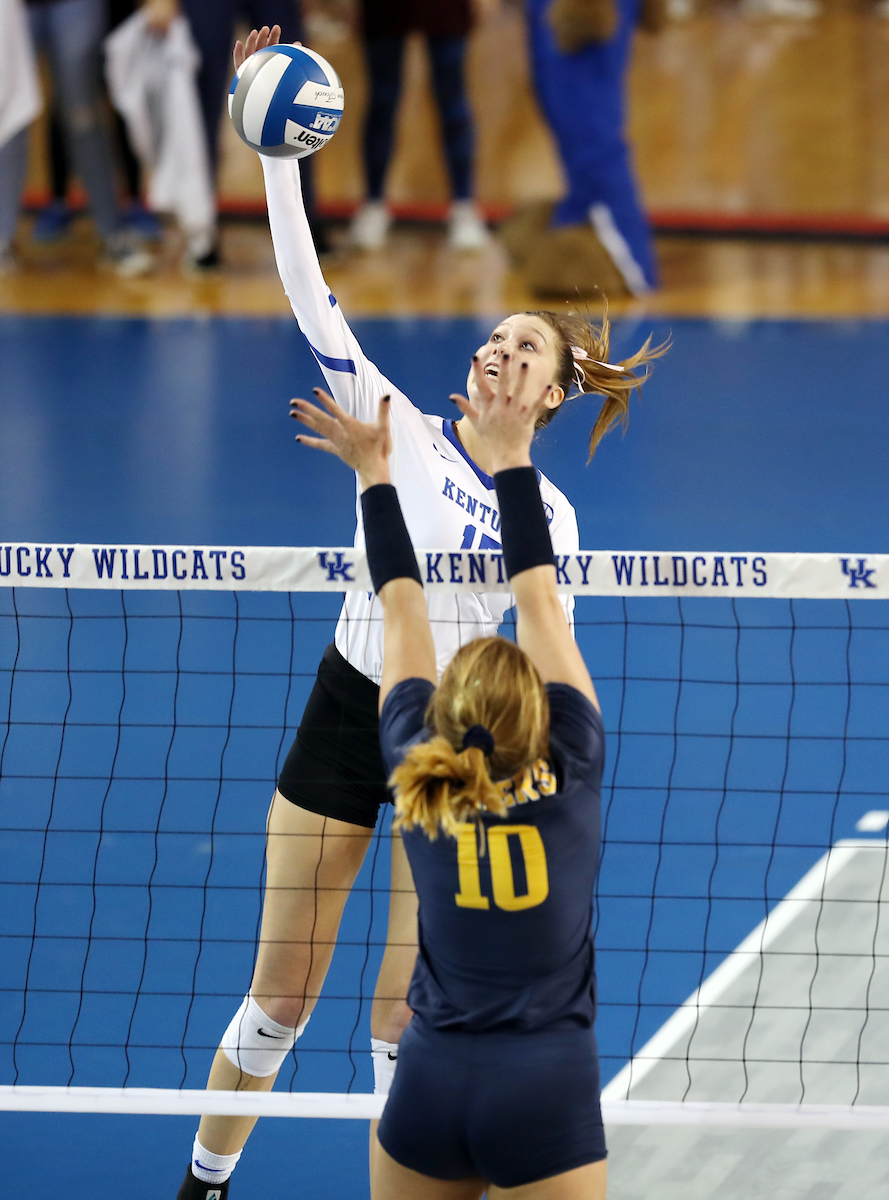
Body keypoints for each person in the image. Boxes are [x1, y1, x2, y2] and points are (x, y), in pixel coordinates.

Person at [174, 25, 661, 1200]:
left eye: (523, 348)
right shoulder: (391, 421)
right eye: (493, 336)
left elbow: (546, 664)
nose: (498, 350)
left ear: (550, 395)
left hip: (453, 741)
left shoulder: (550, 521)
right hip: (356, 710)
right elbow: (304, 290)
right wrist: (277, 150)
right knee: (280, 995)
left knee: (408, 1009)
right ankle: (200, 1185)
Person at [291, 348, 608, 1198]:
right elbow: (538, 601)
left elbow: (400, 605)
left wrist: (374, 475)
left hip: (429, 1088)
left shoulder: (415, 771)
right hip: (544, 1091)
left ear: (435, 713)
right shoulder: (570, 762)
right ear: (540, 718)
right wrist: (515, 460)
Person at [350, 0, 490, 251]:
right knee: (382, 99)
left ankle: (464, 206)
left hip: (446, 9)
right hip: (385, 10)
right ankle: (373, 204)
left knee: (453, 101)